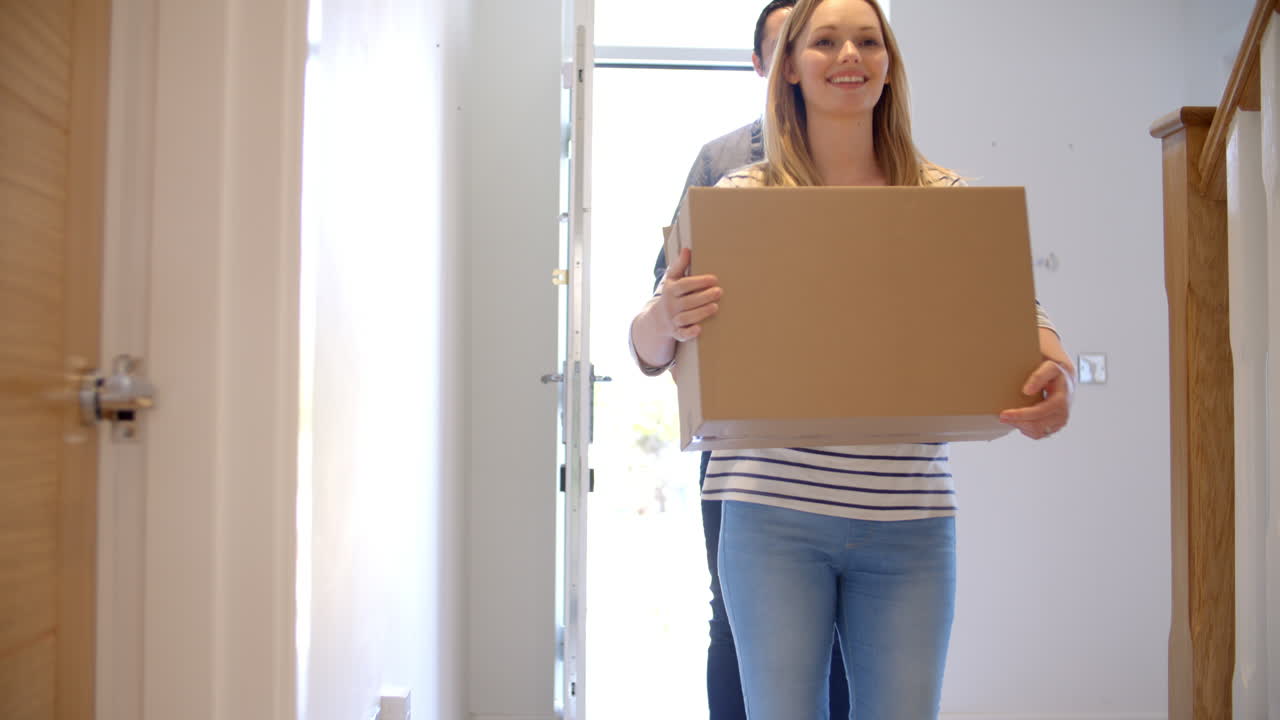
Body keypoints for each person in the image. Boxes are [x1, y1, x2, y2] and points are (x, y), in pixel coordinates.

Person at [630, 0, 1076, 717]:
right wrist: (663, 315)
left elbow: (1022, 319)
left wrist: (1063, 376)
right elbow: (651, 349)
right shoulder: (742, 198)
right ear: (791, 71)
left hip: (911, 521)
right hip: (770, 519)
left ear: (889, 66)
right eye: (826, 42)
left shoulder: (943, 198)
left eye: (868, 41)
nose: (849, 56)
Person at [651, 2, 850, 718]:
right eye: (801, 46)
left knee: (843, 635)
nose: (826, 60)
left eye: (847, 42)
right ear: (771, 65)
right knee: (733, 621)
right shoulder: (724, 163)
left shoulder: (878, 167)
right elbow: (665, 293)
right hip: (743, 441)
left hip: (854, 450)